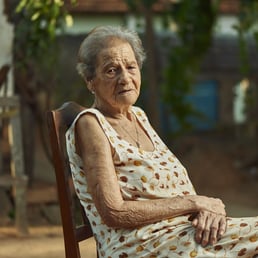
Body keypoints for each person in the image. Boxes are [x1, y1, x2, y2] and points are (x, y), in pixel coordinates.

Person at [66, 25, 258, 258]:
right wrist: (195, 203)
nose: (125, 78)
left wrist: (205, 212)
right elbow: (114, 211)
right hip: (140, 245)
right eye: (111, 70)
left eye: (131, 67)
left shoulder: (139, 116)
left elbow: (177, 189)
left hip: (182, 235)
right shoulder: (91, 124)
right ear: (90, 81)